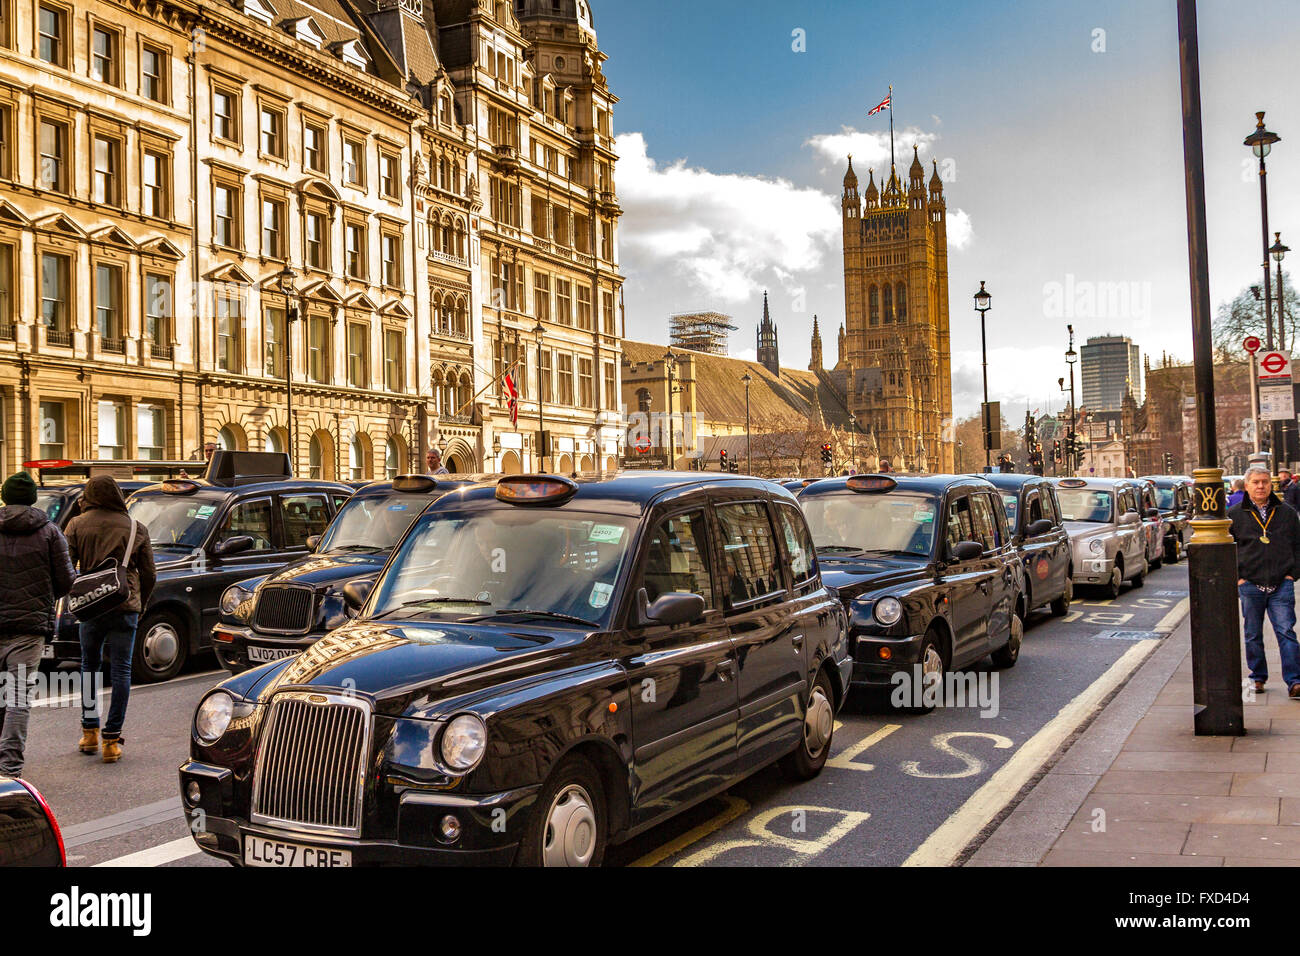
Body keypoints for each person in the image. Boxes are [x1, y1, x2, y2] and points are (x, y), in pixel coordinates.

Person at [65, 476, 155, 763]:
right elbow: (150, 573)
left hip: (91, 608)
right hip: (125, 604)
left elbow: (67, 567)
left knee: (90, 667)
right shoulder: (135, 527)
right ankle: (111, 741)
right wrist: (141, 604)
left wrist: (79, 590)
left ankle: (89, 733)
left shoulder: (77, 524)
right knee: (121, 673)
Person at [0, 472, 75, 777]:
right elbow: (67, 581)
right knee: (17, 697)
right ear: (32, 498)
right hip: (29, 628)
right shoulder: (49, 532)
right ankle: (10, 767)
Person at [1229, 466, 1300, 697]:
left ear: (1271, 485)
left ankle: (1294, 681)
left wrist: (1293, 574)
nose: (1261, 486)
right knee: (1252, 633)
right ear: (1247, 485)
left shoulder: (1287, 513)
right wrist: (1239, 578)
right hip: (1250, 584)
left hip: (1282, 583)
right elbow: (1229, 550)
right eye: (1256, 482)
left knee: (1286, 631)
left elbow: (1297, 545)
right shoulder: (1234, 514)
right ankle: (1257, 677)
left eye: (1265, 482)